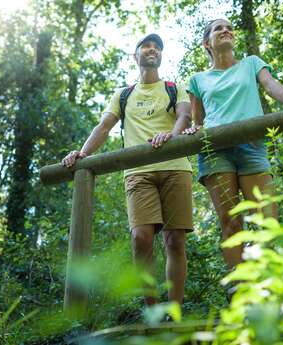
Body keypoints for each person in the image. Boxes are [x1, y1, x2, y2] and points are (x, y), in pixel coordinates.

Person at [62, 34, 193, 306]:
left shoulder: (173, 87)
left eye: (157, 47)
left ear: (161, 56)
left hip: (175, 167)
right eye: (147, 46)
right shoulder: (123, 95)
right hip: (138, 173)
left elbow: (185, 115)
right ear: (136, 56)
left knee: (175, 240)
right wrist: (83, 153)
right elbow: (103, 126)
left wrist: (172, 136)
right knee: (141, 238)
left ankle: (174, 312)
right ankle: (153, 311)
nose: (153, 49)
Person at [185, 19, 283, 270]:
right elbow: (198, 121)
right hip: (216, 151)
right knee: (231, 224)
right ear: (207, 43)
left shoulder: (251, 63)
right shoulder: (197, 80)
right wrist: (193, 128)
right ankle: (238, 290)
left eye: (229, 27)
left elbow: (270, 85)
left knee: (265, 220)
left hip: (252, 147)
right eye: (218, 28)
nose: (226, 30)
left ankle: (265, 283)